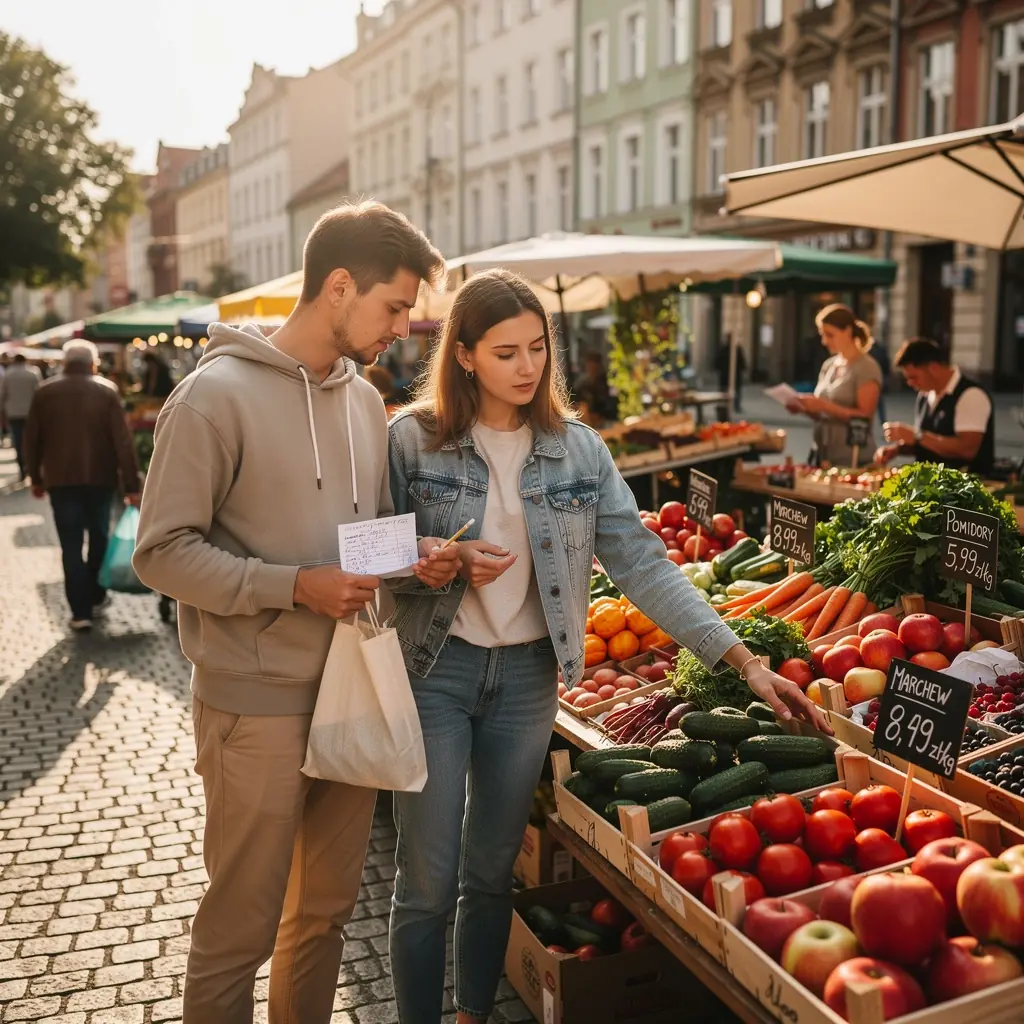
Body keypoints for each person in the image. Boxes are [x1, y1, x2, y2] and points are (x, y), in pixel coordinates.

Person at [386, 269, 830, 1024]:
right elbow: (358, 547)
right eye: (504, 353)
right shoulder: (411, 440)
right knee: (426, 879)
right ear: (462, 355)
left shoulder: (577, 452)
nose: (527, 368)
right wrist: (425, 552)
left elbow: (645, 566)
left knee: (491, 872)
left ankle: (473, 1016)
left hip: (529, 678)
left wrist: (746, 663)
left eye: (537, 349)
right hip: (435, 670)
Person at [131, 201, 461, 1024]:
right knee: (239, 933)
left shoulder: (362, 400)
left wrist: (418, 562)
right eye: (393, 307)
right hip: (255, 703)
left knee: (322, 920)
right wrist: (293, 586)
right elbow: (160, 553)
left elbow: (364, 546)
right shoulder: (212, 397)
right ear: (340, 287)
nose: (403, 327)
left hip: (354, 690)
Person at [23, 341, 140, 631]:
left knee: (71, 545)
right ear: (93, 363)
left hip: (60, 480)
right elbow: (122, 442)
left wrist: (35, 478)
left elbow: (32, 440)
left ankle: (80, 610)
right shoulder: (106, 391)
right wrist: (131, 484)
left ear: (65, 362)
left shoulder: (45, 392)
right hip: (100, 479)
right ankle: (96, 595)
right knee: (99, 537)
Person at [874, 337, 995, 475]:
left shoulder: (971, 395)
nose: (910, 383)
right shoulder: (925, 396)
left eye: (914, 377)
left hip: (964, 487)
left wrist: (916, 436)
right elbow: (928, 444)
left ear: (934, 368)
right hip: (930, 485)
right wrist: (898, 449)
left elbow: (966, 449)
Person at [786, 304, 882, 467]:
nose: (824, 341)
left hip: (852, 457)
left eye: (830, 335)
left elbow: (864, 416)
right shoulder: (829, 365)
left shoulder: (866, 367)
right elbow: (823, 414)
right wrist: (805, 408)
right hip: (821, 454)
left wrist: (824, 406)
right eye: (822, 335)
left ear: (848, 331)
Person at [0, 353, 42, 480]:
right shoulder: (33, 373)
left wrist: (2, 411)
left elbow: (2, 394)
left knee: (18, 441)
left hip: (13, 413)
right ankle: (31, 466)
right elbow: (39, 392)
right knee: (32, 441)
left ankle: (22, 467)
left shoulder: (8, 374)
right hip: (31, 413)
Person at [573, 352, 614, 425]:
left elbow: (606, 402)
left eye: (594, 365)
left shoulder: (604, 382)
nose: (591, 368)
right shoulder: (582, 383)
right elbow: (576, 399)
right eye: (589, 365)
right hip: (585, 417)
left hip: (601, 418)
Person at [715, 334, 747, 413]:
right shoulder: (733, 349)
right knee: (730, 391)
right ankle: (732, 406)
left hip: (729, 375)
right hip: (730, 375)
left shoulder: (733, 349)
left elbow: (717, 362)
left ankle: (730, 405)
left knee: (730, 391)